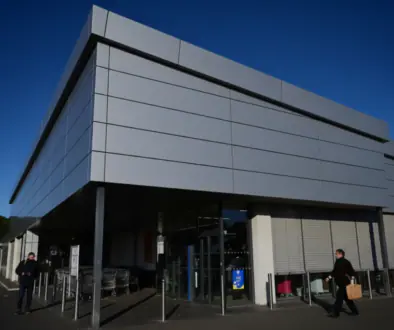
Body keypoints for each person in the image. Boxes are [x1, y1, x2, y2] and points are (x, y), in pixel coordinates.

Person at [325, 249, 359, 318]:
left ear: (341, 254)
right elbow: (334, 272)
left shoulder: (345, 262)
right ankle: (355, 311)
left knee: (339, 298)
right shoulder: (338, 262)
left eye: (336, 254)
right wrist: (328, 278)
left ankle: (336, 313)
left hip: (344, 283)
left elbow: (352, 273)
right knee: (347, 299)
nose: (335, 255)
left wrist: (352, 284)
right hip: (341, 283)